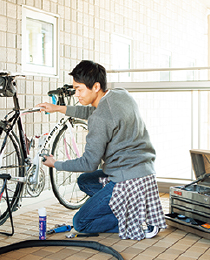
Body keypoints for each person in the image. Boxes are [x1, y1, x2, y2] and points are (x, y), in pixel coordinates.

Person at [37, 60, 166, 240]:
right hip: (145, 174)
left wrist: (55, 163)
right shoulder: (120, 95)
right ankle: (132, 206)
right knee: (86, 181)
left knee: (81, 222)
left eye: (79, 89)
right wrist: (58, 108)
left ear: (96, 86)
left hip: (125, 180)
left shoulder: (100, 119)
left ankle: (136, 218)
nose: (76, 94)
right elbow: (94, 112)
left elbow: (89, 162)